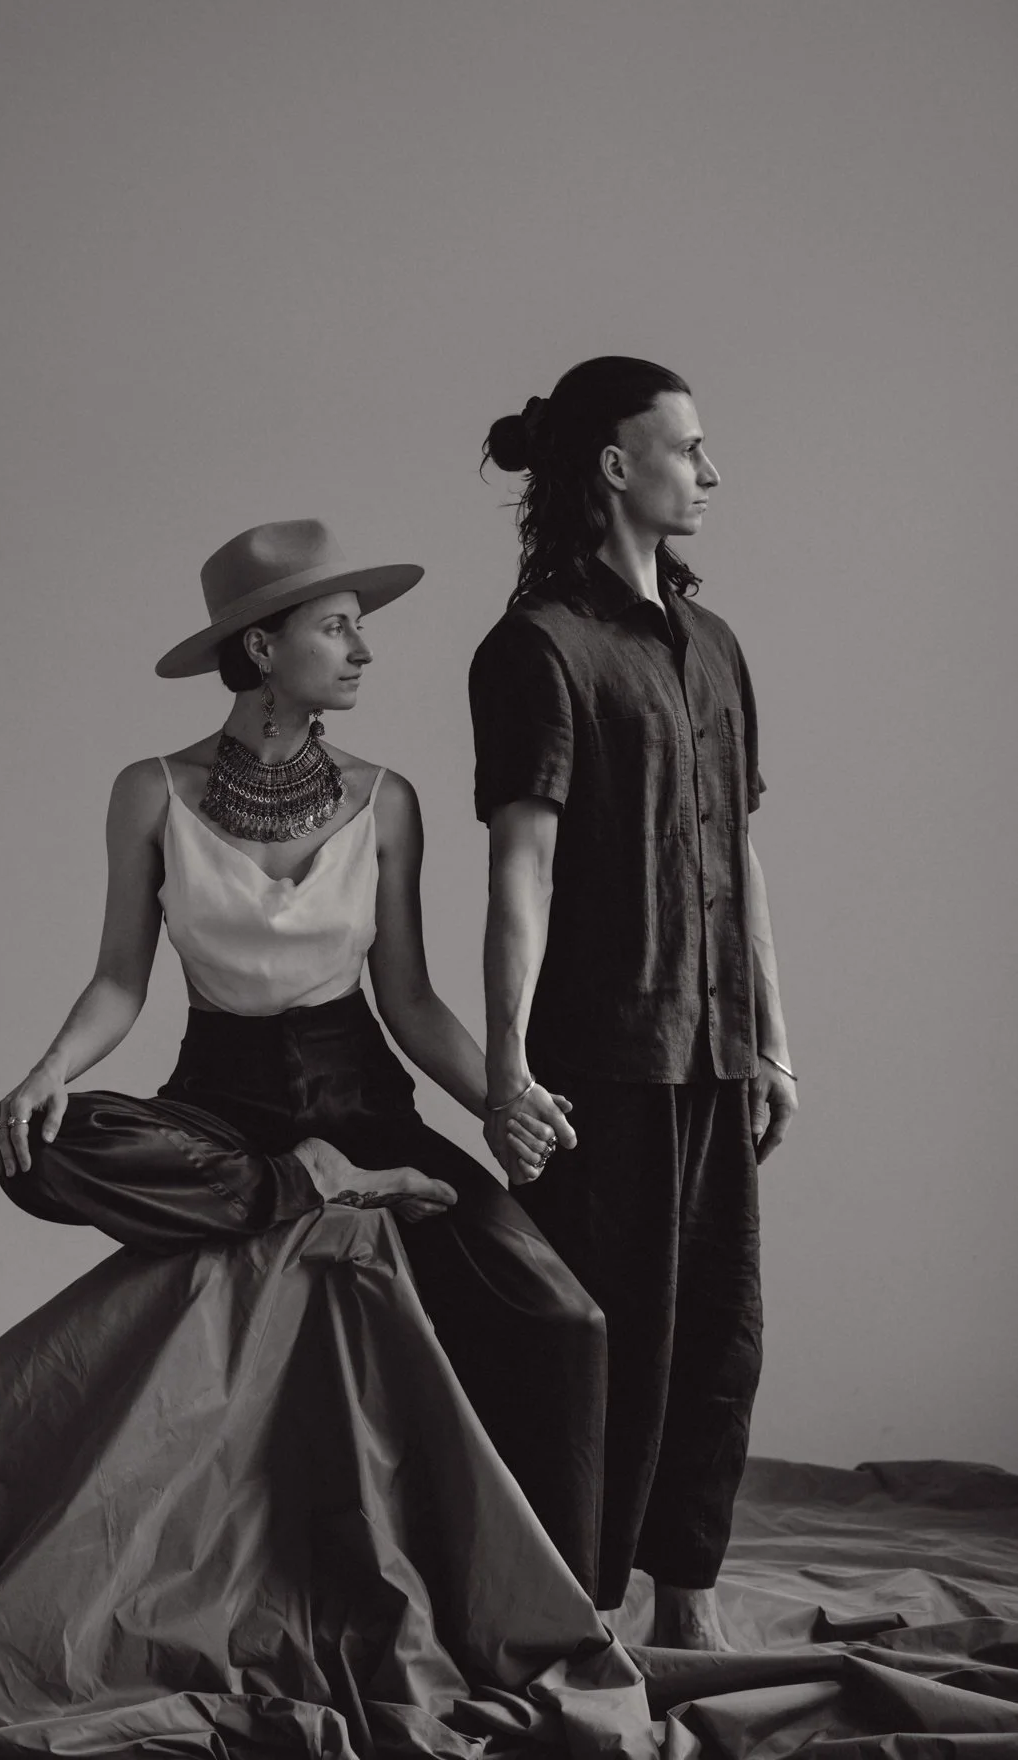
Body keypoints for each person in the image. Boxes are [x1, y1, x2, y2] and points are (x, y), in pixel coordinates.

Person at [0, 518, 652, 1760]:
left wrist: (499, 1097)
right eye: (335, 626)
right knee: (48, 1145)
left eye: (359, 626)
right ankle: (308, 1185)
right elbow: (118, 979)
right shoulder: (150, 790)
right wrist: (43, 1073)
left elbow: (412, 1001)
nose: (362, 649)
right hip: (217, 1106)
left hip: (365, 1104)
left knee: (563, 1316)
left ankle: (562, 1606)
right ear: (259, 647)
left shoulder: (388, 801)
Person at [469, 359, 798, 1652]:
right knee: (612, 1353)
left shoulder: (715, 648)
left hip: (718, 1051)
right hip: (602, 1065)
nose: (710, 472)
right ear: (615, 467)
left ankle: (688, 1602)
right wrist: (505, 1066)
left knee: (723, 1340)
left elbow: (738, 856)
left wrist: (774, 1040)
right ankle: (583, 1611)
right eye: (687, 448)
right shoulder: (537, 648)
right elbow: (522, 868)